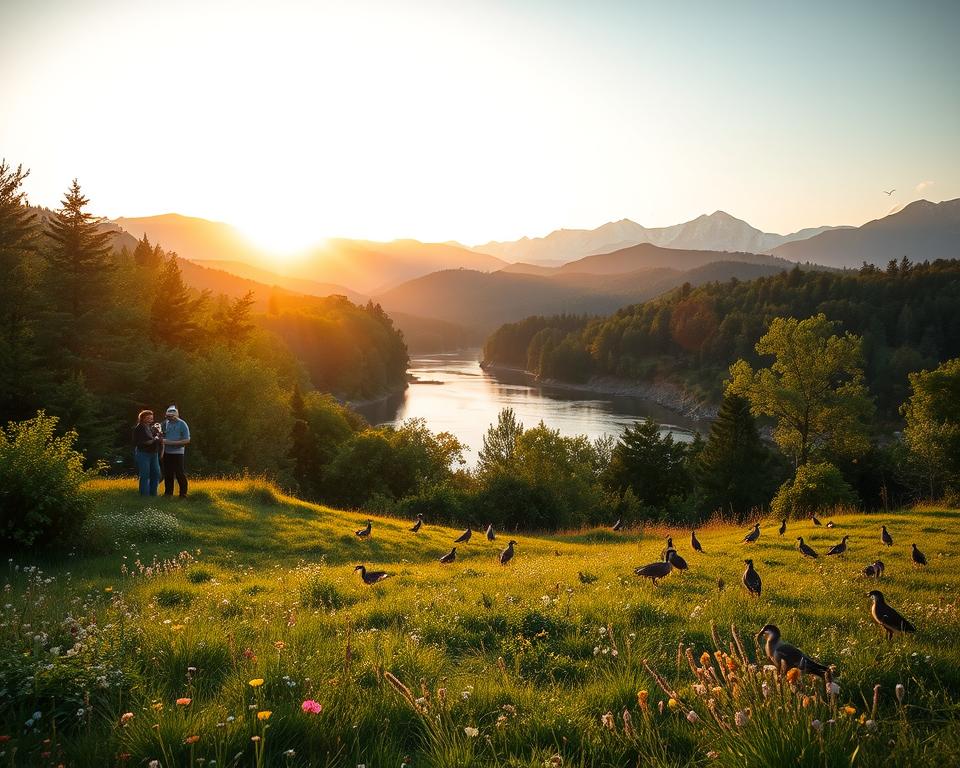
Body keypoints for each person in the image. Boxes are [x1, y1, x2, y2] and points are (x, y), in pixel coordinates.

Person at [160, 405, 191, 497]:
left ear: (176, 415)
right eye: (168, 416)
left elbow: (187, 440)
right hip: (166, 452)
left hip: (178, 452)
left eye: (172, 416)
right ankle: (168, 493)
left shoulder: (182, 424)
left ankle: (183, 494)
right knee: (168, 473)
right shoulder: (165, 423)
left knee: (179, 473)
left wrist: (170, 442)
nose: (170, 418)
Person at [132, 409, 162, 496]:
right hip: (143, 453)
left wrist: (158, 435)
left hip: (154, 453)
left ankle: (153, 494)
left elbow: (158, 439)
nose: (150, 420)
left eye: (151, 418)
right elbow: (147, 442)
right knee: (145, 474)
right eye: (148, 418)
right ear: (142, 418)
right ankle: (144, 495)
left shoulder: (150, 428)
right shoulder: (139, 428)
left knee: (156, 473)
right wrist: (156, 438)